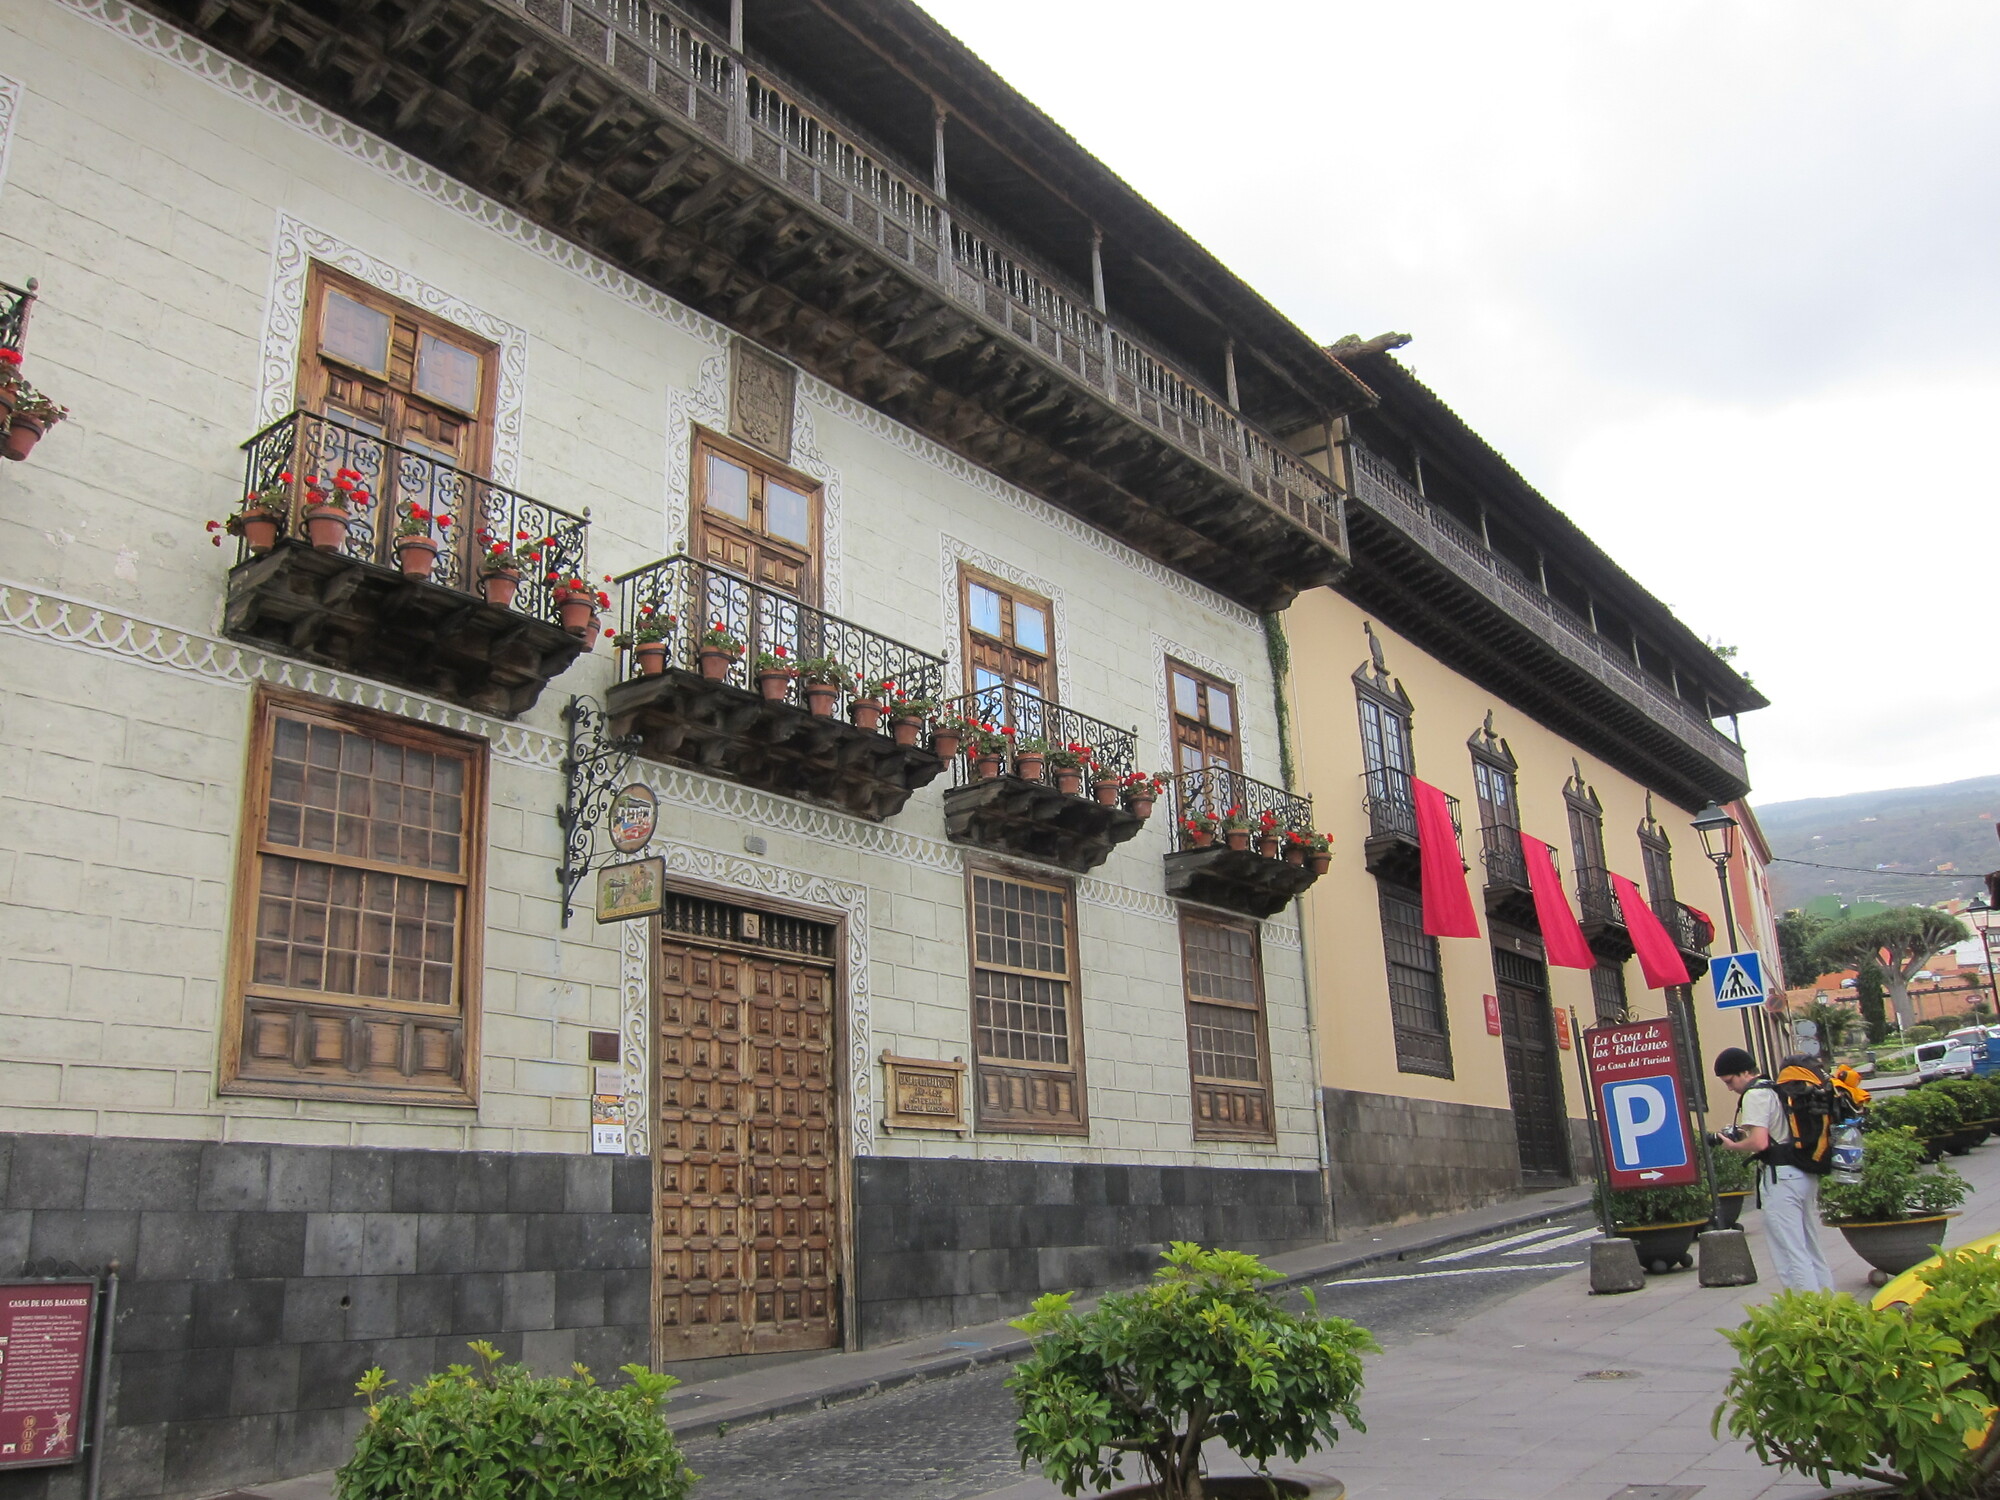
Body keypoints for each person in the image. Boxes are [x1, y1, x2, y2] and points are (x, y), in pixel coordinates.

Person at [1713, 1045, 1836, 1292]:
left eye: (1730, 1081)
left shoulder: (1754, 1095)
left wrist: (1733, 1145)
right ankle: (1829, 1303)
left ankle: (1807, 1313)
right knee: (1810, 1246)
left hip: (1781, 1178)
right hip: (1803, 1171)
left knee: (1790, 1252)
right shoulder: (1777, 1088)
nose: (1729, 1088)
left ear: (1745, 1072)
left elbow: (1759, 1142)